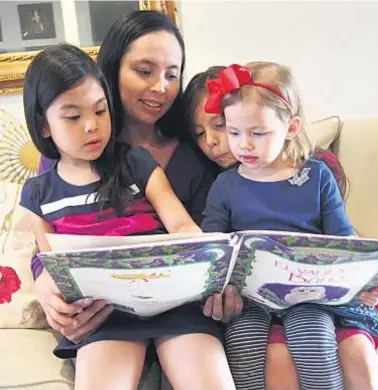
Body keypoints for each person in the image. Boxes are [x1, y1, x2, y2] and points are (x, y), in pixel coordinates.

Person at [21, 44, 236, 390]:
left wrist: (205, 268)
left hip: (172, 299)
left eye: (101, 111)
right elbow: (50, 263)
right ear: (44, 126)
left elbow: (180, 223)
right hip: (104, 315)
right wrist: (51, 292)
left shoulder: (134, 160)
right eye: (73, 117)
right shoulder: (37, 193)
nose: (92, 126)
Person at [186, 63, 378, 390]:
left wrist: (365, 277)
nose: (244, 145)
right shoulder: (225, 185)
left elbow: (343, 238)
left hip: (308, 294)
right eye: (234, 132)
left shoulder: (317, 177)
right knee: (240, 344)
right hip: (248, 297)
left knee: (316, 341)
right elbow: (215, 247)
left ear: (292, 127)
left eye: (258, 133)